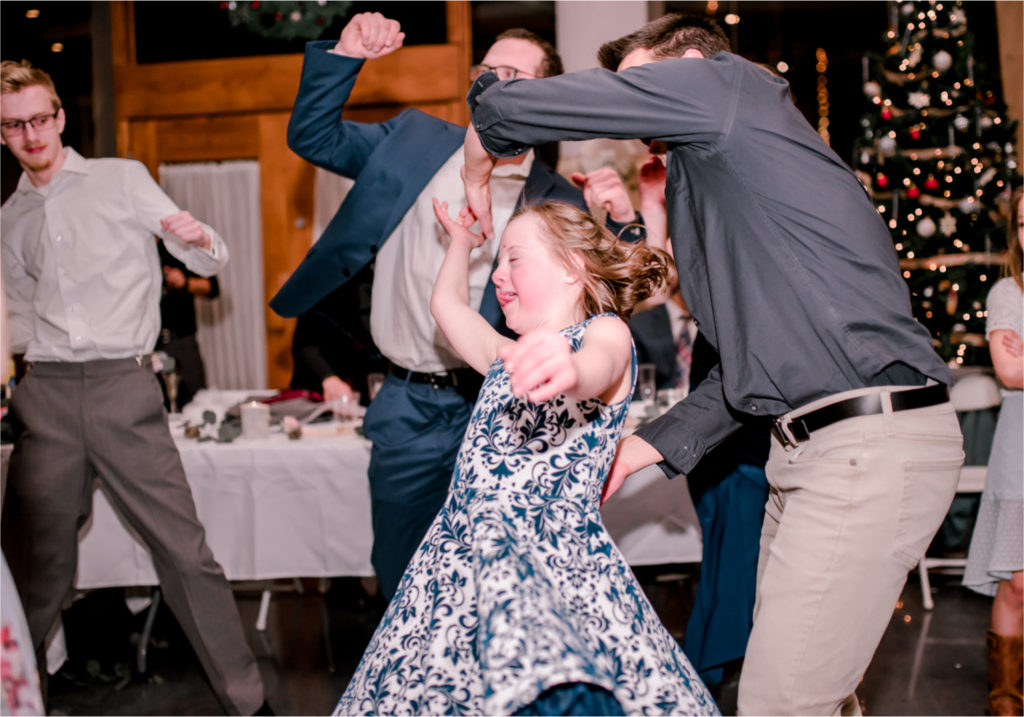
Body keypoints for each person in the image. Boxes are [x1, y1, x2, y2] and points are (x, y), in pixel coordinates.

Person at [460, 14, 964, 716]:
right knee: (812, 690)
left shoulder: (731, 87)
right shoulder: (717, 179)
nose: (635, 106)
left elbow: (531, 108)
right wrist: (634, 453)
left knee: (778, 702)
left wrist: (486, 112)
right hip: (814, 450)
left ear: (692, 61)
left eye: (642, 84)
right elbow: (744, 373)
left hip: (864, 443)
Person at [269, 12, 639, 600]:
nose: (491, 83)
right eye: (484, 71)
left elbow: (608, 303)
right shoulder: (414, 143)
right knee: (399, 567)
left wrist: (623, 222)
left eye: (511, 74)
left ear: (542, 97)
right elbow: (313, 137)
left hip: (505, 405)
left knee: (504, 578)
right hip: (408, 402)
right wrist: (344, 54)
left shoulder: (556, 198)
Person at [336, 199, 716, 715]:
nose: (498, 275)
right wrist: (463, 244)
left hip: (549, 559)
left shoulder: (602, 333)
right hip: (458, 562)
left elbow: (599, 364)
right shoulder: (503, 358)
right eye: (497, 262)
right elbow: (446, 307)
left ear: (571, 266)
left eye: (514, 259)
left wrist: (570, 369)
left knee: (546, 679)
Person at [0, 60, 268, 716]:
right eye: (13, 125)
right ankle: (17, 702)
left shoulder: (121, 180)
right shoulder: (9, 218)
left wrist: (197, 237)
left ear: (61, 117)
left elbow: (206, 256)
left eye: (39, 118)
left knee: (185, 555)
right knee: (35, 574)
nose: (30, 134)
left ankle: (249, 702)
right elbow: (16, 313)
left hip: (126, 386)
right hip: (48, 397)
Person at [963, 186, 1023, 716]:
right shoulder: (1009, 294)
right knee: (1020, 581)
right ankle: (1005, 695)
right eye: (1023, 224)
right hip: (1020, 449)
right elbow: (1010, 372)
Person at [156, 239, 220, 410]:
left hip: (183, 339)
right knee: (154, 405)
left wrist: (185, 282)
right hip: (149, 343)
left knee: (197, 403)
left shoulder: (181, 247)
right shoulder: (136, 249)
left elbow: (212, 287)